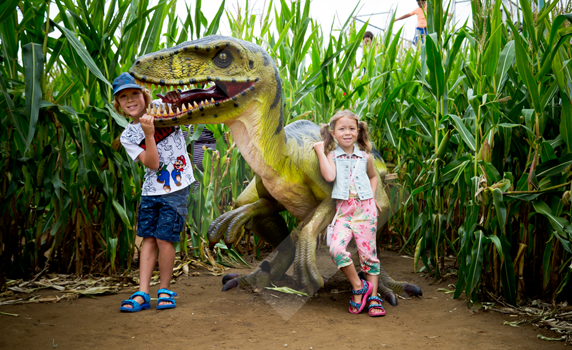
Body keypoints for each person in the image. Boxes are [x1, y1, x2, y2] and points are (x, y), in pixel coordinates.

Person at [113, 72, 194, 312]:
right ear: (118, 104)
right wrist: (148, 134)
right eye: (123, 97)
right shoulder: (128, 136)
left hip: (176, 187)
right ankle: (142, 292)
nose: (130, 100)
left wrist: (177, 101)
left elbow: (190, 114)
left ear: (144, 95)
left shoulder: (161, 108)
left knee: (164, 238)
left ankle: (165, 289)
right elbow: (152, 164)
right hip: (150, 191)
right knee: (148, 238)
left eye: (134, 93)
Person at [313, 110, 385, 317]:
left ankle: (373, 298)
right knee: (335, 249)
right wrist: (320, 151)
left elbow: (373, 177)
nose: (347, 132)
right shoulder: (332, 155)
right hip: (344, 212)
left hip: (365, 211)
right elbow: (329, 176)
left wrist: (371, 198)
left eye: (351, 128)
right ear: (333, 133)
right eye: (342, 128)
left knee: (368, 256)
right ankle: (357, 286)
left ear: (358, 131)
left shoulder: (366, 157)